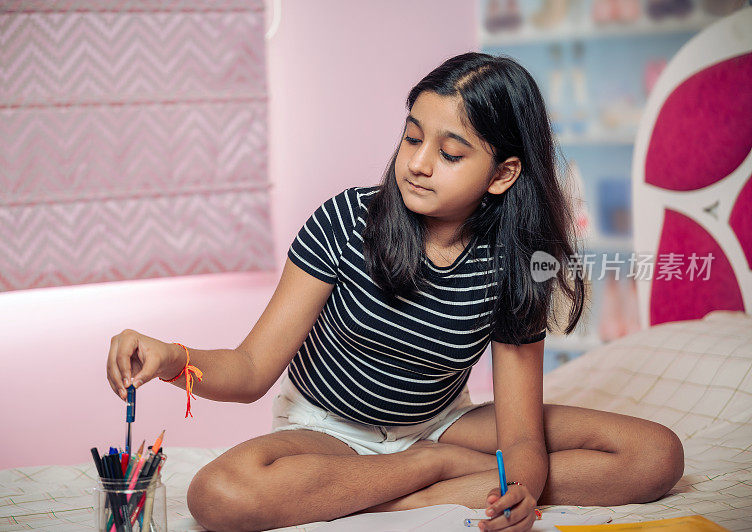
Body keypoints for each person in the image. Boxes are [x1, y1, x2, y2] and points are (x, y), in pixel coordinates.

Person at [105, 52, 684, 532]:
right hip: (329, 429)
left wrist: (523, 490)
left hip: (438, 421)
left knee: (655, 455)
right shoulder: (344, 222)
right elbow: (251, 369)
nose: (419, 164)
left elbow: (522, 435)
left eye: (451, 153)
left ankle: (391, 493)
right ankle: (427, 471)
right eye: (412, 139)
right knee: (219, 494)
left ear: (503, 174)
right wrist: (172, 360)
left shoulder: (515, 264)